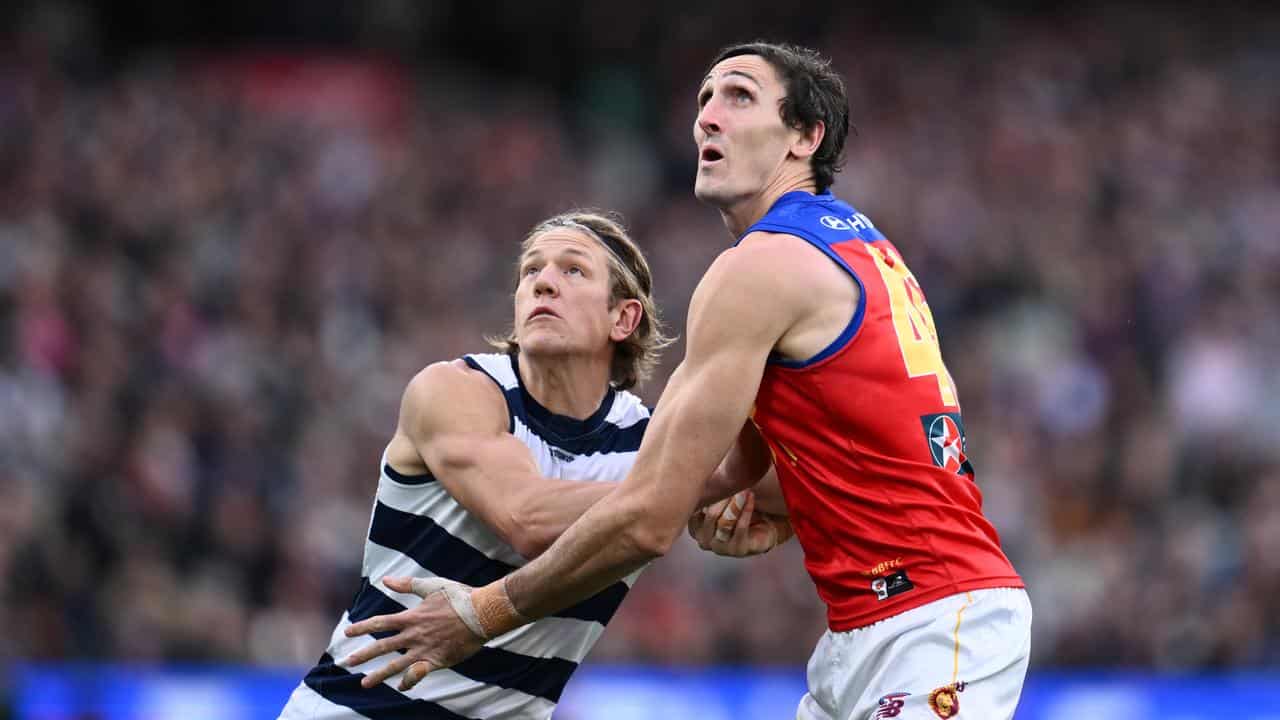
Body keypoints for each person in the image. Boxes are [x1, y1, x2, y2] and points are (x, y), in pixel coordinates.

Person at [342, 42, 1031, 720]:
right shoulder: (860, 249)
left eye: (738, 96)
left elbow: (645, 519)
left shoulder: (761, 268)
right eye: (704, 99)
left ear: (805, 136)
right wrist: (777, 509)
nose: (707, 116)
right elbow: (875, 449)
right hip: (875, 624)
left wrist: (481, 615)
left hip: (932, 618)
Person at [277, 210, 672, 719]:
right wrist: (685, 489)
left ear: (624, 318)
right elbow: (527, 519)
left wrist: (734, 506)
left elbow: (768, 484)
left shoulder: (648, 443)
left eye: (572, 270)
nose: (544, 282)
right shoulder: (455, 391)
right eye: (531, 271)